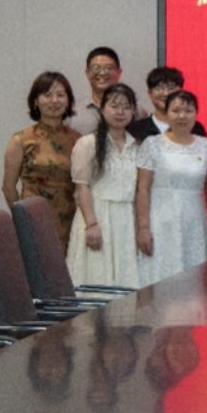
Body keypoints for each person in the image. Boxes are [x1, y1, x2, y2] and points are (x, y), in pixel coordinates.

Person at [135, 90, 207, 286]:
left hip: (195, 222)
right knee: (161, 274)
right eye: (176, 110)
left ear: (196, 114)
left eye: (188, 111)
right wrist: (144, 228)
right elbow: (143, 189)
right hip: (161, 222)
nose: (182, 116)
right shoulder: (152, 144)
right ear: (167, 113)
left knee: (194, 277)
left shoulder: (206, 145)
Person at [66, 83, 140, 287]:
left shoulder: (138, 145)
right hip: (98, 217)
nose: (120, 112)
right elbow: (82, 187)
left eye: (126, 107)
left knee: (127, 280)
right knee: (95, 276)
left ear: (133, 111)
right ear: (102, 109)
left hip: (127, 220)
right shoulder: (87, 143)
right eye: (114, 106)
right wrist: (91, 224)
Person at [2, 72, 82, 254]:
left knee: (68, 269)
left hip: (70, 221)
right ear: (36, 101)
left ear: (68, 101)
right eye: (47, 95)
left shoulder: (78, 140)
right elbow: (8, 187)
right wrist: (21, 219)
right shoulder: (22, 139)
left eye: (60, 95)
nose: (54, 100)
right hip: (32, 221)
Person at [74, 47, 147, 134]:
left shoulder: (137, 112)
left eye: (108, 68)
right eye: (96, 68)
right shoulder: (73, 112)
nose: (102, 73)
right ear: (87, 73)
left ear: (119, 72)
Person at [128, 67, 207, 143]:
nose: (166, 93)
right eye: (159, 88)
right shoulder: (136, 129)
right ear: (150, 93)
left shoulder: (195, 128)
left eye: (171, 87)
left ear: (181, 91)